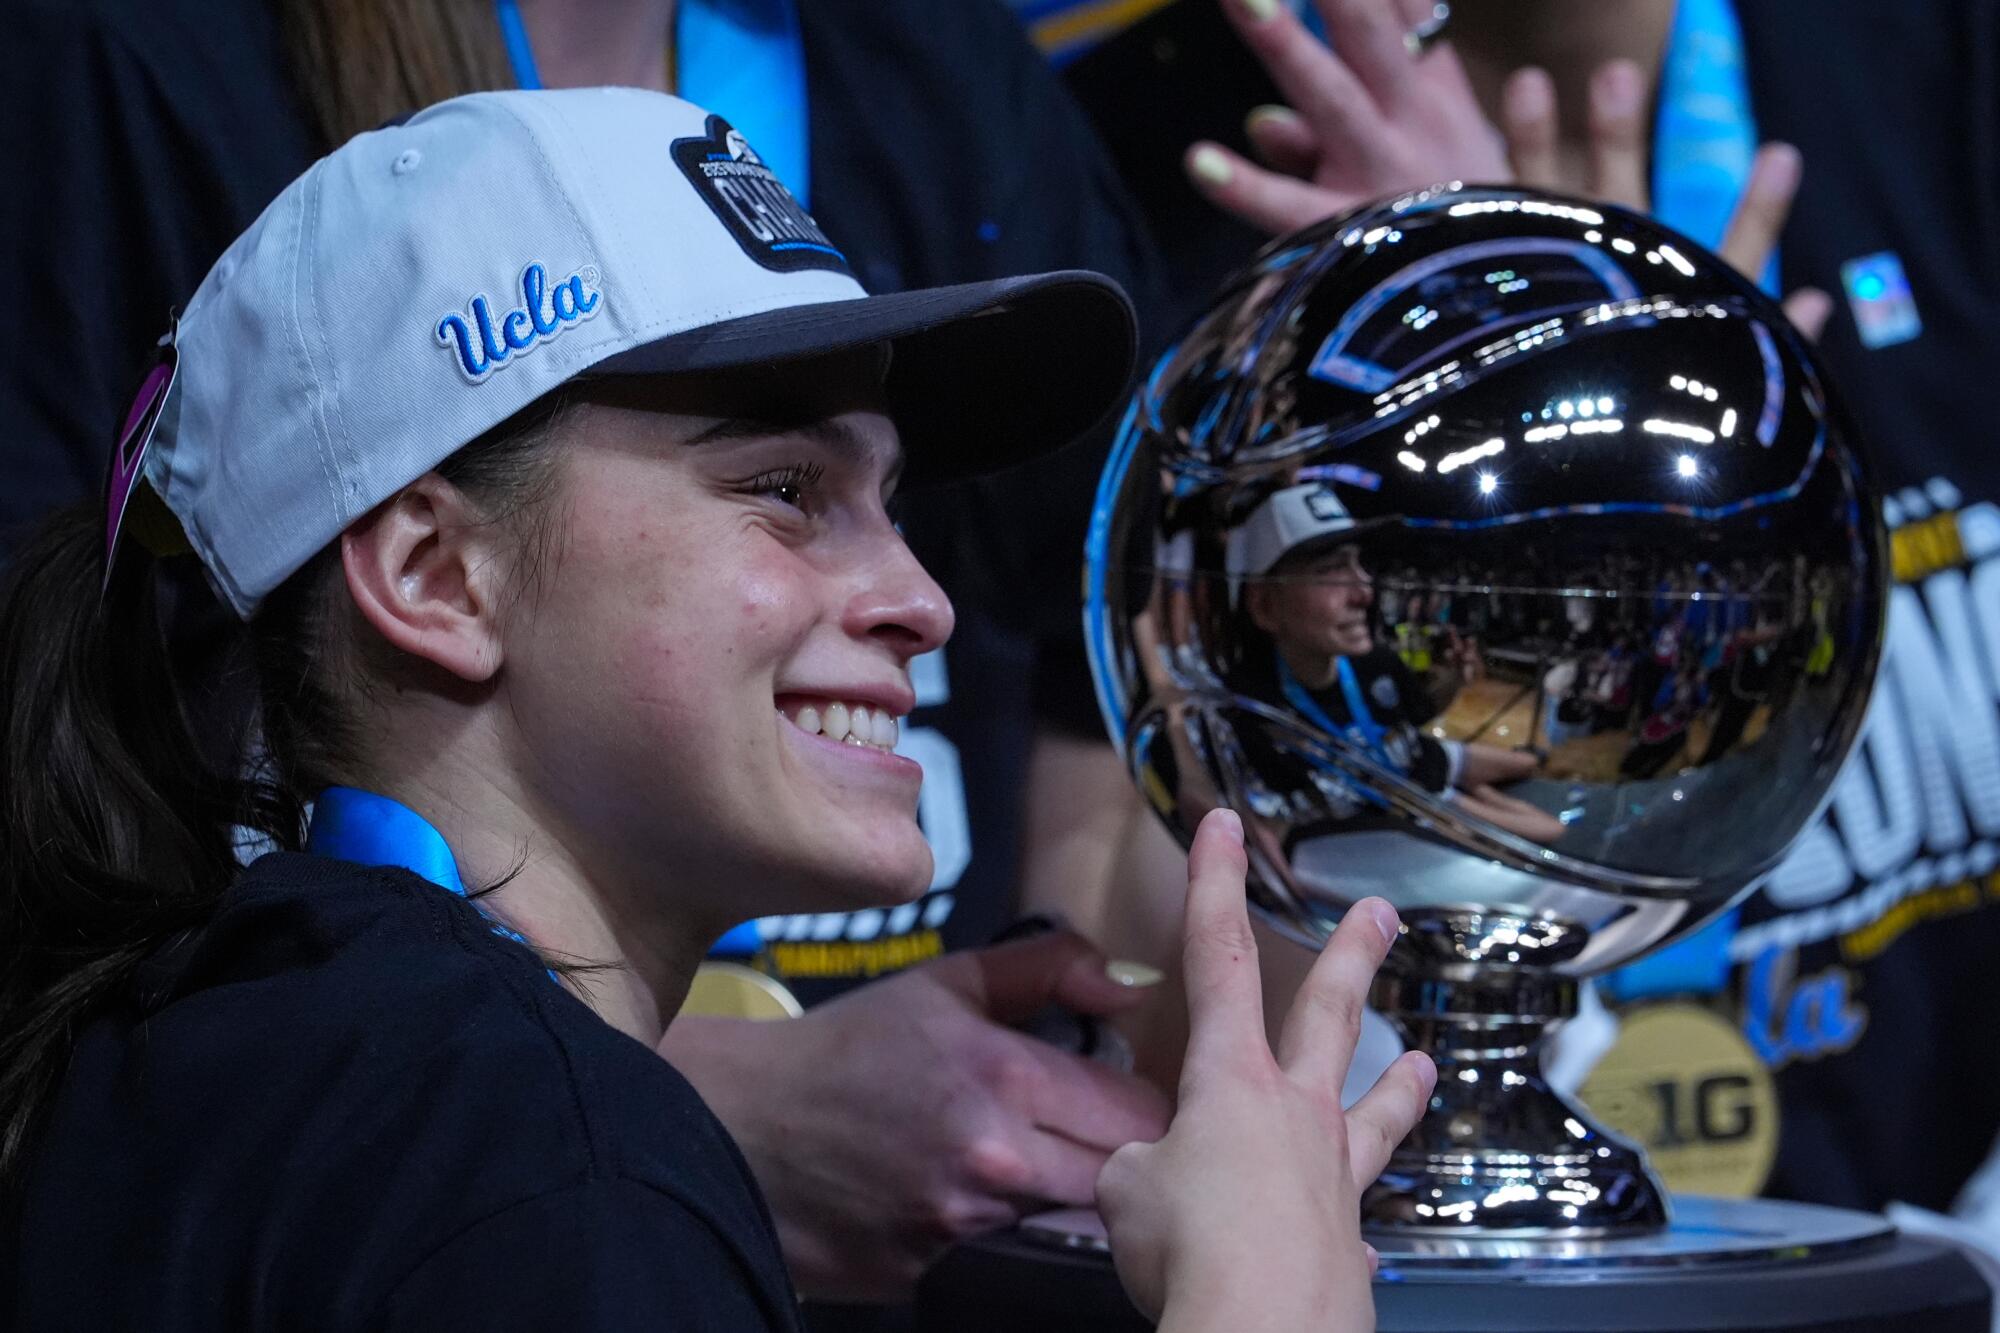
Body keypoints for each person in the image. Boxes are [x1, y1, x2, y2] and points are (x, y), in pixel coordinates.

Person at [0, 88, 1435, 1328]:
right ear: (440, 574)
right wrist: (1264, 1300)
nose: (921, 601)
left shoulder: (216, 1043)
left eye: (892, 501)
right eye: (786, 491)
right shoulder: (548, 1172)